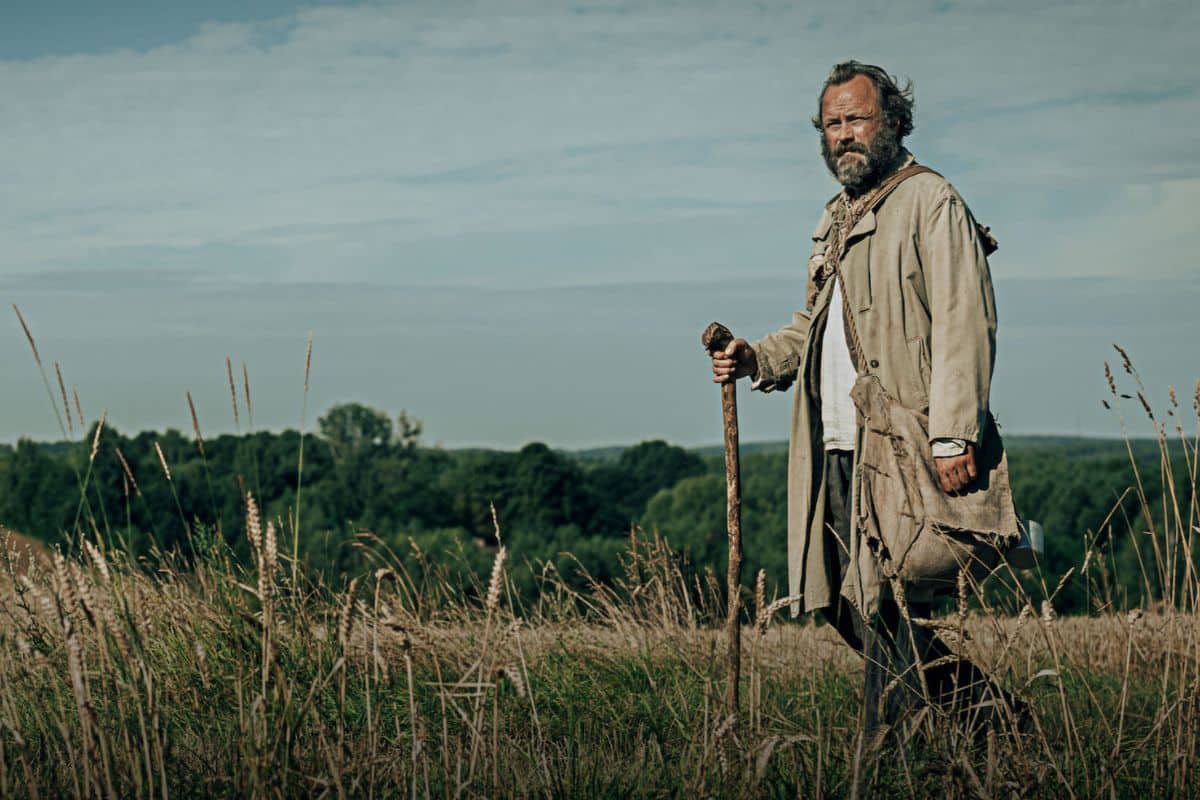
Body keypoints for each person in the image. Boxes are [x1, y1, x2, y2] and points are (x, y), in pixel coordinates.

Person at [711, 61, 1021, 734]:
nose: (844, 134)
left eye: (857, 118)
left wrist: (953, 434)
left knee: (888, 602)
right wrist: (757, 357)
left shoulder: (931, 201)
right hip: (836, 442)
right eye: (832, 124)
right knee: (842, 601)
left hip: (902, 442)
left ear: (895, 121)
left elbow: (964, 319)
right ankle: (992, 718)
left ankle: (892, 753)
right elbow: (817, 325)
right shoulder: (836, 218)